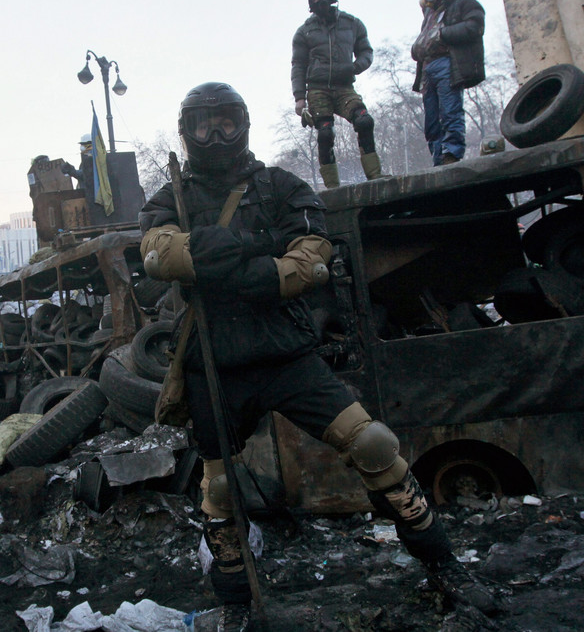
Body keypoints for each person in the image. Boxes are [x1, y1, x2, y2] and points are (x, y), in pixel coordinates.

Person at [139, 82, 497, 631]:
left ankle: (445, 566)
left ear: (245, 124)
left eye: (227, 124)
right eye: (204, 126)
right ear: (186, 132)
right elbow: (158, 254)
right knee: (217, 488)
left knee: (374, 444)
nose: (216, 136)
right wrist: (246, 253)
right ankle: (237, 603)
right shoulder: (172, 196)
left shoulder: (282, 186)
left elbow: (312, 255)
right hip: (215, 361)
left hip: (286, 354)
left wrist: (243, 268)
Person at [291, 0, 382, 189]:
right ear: (311, 1)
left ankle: (375, 174)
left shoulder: (352, 24)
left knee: (364, 121)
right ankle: (332, 187)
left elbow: (366, 51)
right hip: (317, 89)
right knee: (325, 133)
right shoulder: (304, 32)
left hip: (344, 87)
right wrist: (299, 98)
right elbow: (298, 65)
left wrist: (355, 67)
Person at [411, 0, 486, 166]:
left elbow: (475, 27)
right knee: (432, 120)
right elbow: (425, 37)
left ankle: (451, 153)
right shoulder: (429, 13)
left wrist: (443, 34)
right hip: (428, 68)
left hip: (447, 63)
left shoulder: (465, 3)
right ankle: (438, 157)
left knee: (450, 110)